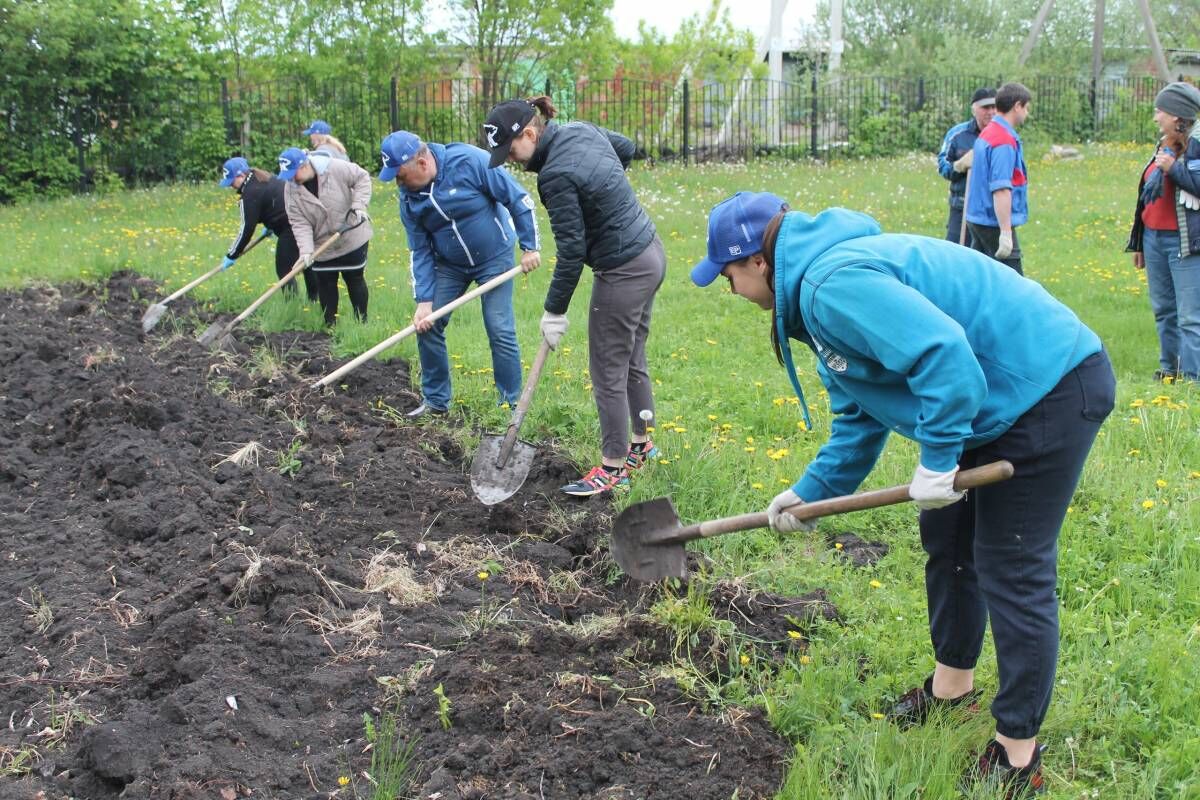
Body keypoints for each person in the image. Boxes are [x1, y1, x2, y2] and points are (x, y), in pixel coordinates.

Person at [691, 191, 1115, 798]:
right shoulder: (813, 300)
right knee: (949, 543)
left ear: (758, 261)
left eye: (726, 273)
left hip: (1048, 385)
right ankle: (952, 689)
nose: (727, 288)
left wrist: (939, 459)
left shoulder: (830, 285)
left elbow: (946, 359)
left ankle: (1017, 756)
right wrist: (805, 495)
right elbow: (859, 419)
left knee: (1011, 564)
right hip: (992, 404)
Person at [483, 96, 664, 496]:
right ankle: (642, 442)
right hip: (650, 252)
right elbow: (626, 149)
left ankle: (613, 467)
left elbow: (572, 251)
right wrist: (609, 193)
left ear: (529, 134)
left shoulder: (555, 176)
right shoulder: (580, 129)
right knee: (632, 355)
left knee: (607, 368)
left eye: (510, 150)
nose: (510, 159)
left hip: (623, 269)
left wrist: (553, 312)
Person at [378, 130, 542, 418]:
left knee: (498, 327)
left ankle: (510, 405)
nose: (398, 183)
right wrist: (424, 301)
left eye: (400, 175)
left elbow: (516, 198)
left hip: (494, 257)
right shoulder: (408, 199)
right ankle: (436, 403)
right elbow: (419, 251)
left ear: (422, 164)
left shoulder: (469, 160)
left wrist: (530, 247)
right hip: (450, 265)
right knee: (427, 324)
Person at [1125, 81, 1200, 383]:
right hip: (1155, 239)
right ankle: (1171, 370)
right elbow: (1146, 195)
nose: (1156, 117)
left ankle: (1193, 380)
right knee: (1164, 311)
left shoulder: (1196, 145)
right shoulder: (1166, 144)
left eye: (1160, 111)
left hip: (1184, 243)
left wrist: (1174, 169)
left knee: (1190, 317)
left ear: (1177, 115)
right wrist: (1140, 242)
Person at [278, 147, 373, 327]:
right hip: (322, 242)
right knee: (325, 281)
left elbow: (362, 177)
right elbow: (299, 221)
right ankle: (330, 327)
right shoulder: (290, 189)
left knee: (354, 278)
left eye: (293, 173)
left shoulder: (335, 167)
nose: (291, 179)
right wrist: (306, 250)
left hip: (350, 232)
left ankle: (362, 323)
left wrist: (359, 205)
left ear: (305, 165)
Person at [218, 157, 319, 301]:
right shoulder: (262, 177)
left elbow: (247, 228)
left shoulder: (250, 193)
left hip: (291, 227)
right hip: (303, 220)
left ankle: (293, 305)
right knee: (307, 260)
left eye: (231, 181)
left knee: (285, 270)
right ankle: (314, 300)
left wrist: (232, 254)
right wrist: (270, 225)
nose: (230, 186)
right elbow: (272, 203)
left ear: (241, 176)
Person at [965, 82, 1032, 274]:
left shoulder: (989, 131)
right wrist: (1005, 232)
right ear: (1017, 106)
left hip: (977, 217)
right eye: (1026, 108)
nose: (1027, 113)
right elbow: (1001, 189)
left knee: (980, 276)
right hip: (991, 222)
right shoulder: (1002, 139)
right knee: (1014, 281)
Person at [936, 88, 996, 246]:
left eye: (994, 107)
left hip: (992, 208)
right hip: (962, 206)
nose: (990, 112)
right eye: (985, 108)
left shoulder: (1003, 136)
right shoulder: (957, 135)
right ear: (974, 109)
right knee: (955, 254)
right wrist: (960, 165)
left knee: (991, 260)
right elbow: (943, 167)